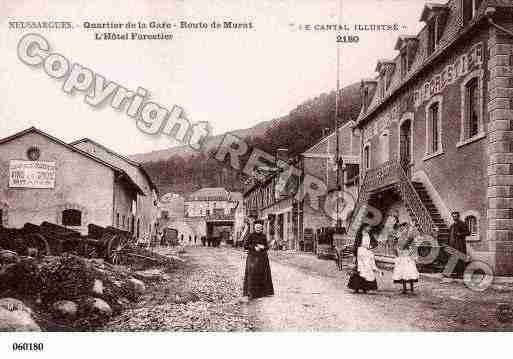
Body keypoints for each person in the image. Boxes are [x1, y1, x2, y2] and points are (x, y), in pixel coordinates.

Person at [348, 222, 383, 294]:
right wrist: (355, 255)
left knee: (367, 269)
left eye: (370, 227)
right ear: (364, 227)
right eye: (368, 227)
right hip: (360, 252)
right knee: (359, 270)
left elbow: (375, 243)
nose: (369, 228)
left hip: (367, 253)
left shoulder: (369, 234)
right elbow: (356, 244)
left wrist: (370, 247)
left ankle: (365, 288)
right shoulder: (360, 234)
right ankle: (356, 288)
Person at [243, 222, 274, 300]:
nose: (258, 229)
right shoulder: (250, 235)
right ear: (254, 228)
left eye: (260, 228)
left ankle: (263, 293)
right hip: (253, 257)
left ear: (262, 229)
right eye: (257, 228)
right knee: (252, 274)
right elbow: (245, 245)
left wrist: (263, 247)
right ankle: (251, 293)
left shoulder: (263, 236)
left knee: (263, 274)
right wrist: (254, 247)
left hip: (263, 258)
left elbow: (267, 247)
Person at [392, 222, 419, 294]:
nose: (402, 229)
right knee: (402, 271)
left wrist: (412, 253)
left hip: (407, 255)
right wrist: (397, 251)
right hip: (401, 255)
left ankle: (412, 289)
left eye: (404, 227)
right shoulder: (399, 236)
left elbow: (412, 245)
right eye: (401, 228)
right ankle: (404, 289)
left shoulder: (409, 236)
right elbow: (396, 245)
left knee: (409, 271)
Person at [448, 211, 470, 278]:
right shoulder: (452, 225)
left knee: (460, 259)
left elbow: (468, 232)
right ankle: (455, 273)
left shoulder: (462, 224)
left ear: (458, 216)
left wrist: (460, 234)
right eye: (453, 216)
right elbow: (449, 235)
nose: (454, 217)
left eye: (456, 216)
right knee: (453, 258)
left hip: (459, 244)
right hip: (452, 244)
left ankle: (461, 274)